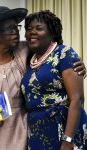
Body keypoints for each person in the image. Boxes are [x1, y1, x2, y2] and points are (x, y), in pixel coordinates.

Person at [0, 6, 86, 150]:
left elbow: (52, 51)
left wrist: (77, 64)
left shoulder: (25, 50)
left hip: (18, 130)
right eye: (9, 29)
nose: (16, 32)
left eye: (16, 27)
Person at [21, 10, 87, 150]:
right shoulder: (30, 60)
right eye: (29, 29)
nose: (32, 32)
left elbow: (77, 99)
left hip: (64, 128)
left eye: (39, 28)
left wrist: (68, 140)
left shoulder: (64, 54)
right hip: (38, 131)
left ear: (52, 33)